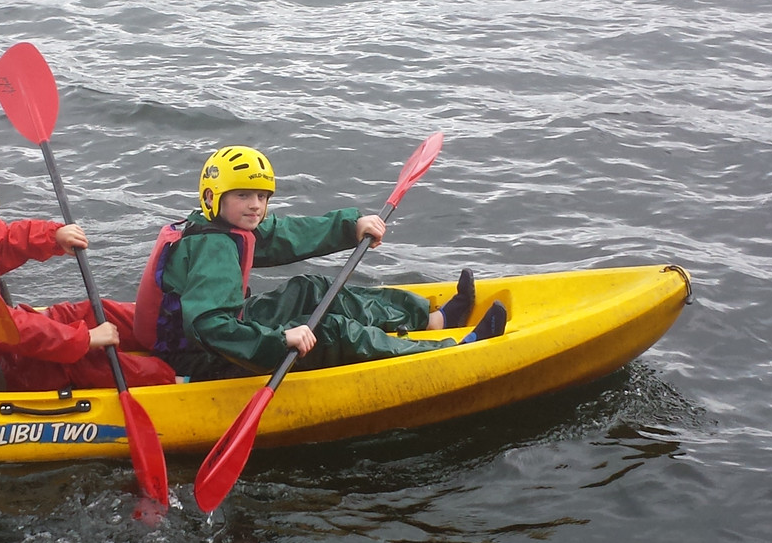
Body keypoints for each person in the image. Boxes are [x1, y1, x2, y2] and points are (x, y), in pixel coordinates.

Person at [132, 145, 507, 383]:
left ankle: (433, 319)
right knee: (330, 331)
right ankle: (450, 350)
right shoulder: (211, 248)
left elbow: (290, 234)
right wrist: (281, 340)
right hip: (202, 356)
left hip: (229, 328)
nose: (255, 206)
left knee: (312, 289)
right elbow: (211, 327)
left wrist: (350, 226)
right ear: (214, 197)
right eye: (243, 195)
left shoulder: (224, 223)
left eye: (262, 197)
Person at [0, 155, 177, 391]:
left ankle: (180, 332)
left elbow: (8, 239)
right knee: (80, 362)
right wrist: (85, 340)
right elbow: (9, 328)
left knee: (96, 311)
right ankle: (179, 381)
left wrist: (55, 236)